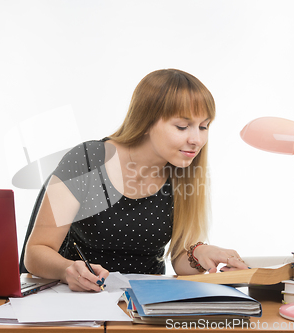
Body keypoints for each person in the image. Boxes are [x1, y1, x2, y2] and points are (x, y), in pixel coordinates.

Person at [24, 69, 249, 292]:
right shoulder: (87, 160)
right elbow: (35, 252)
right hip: (79, 299)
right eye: (182, 126)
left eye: (204, 126)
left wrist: (199, 254)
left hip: (145, 302)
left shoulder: (184, 171)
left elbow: (180, 259)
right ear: (146, 122)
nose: (197, 140)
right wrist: (67, 270)